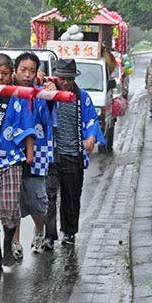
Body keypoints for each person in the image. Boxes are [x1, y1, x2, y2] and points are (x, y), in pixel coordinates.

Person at [0, 53, 36, 269]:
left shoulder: (19, 95)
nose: (0, 77)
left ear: (11, 73)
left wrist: (29, 153)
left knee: (10, 207)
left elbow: (27, 125)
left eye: (5, 73)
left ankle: (7, 247)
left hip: (11, 159)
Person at [45, 59, 105, 248]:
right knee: (49, 195)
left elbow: (91, 121)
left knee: (71, 196)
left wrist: (91, 137)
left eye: (69, 78)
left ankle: (69, 232)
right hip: (51, 153)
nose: (65, 82)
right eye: (62, 78)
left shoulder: (83, 97)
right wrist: (48, 95)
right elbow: (40, 115)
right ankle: (49, 235)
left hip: (73, 154)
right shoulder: (49, 94)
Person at [12, 52, 54, 254]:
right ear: (15, 71)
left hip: (38, 153)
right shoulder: (6, 91)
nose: (27, 75)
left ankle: (39, 229)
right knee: (13, 202)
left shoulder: (41, 94)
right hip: (12, 153)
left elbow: (49, 119)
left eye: (31, 71)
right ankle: (15, 242)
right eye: (23, 70)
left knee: (38, 203)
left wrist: (51, 96)